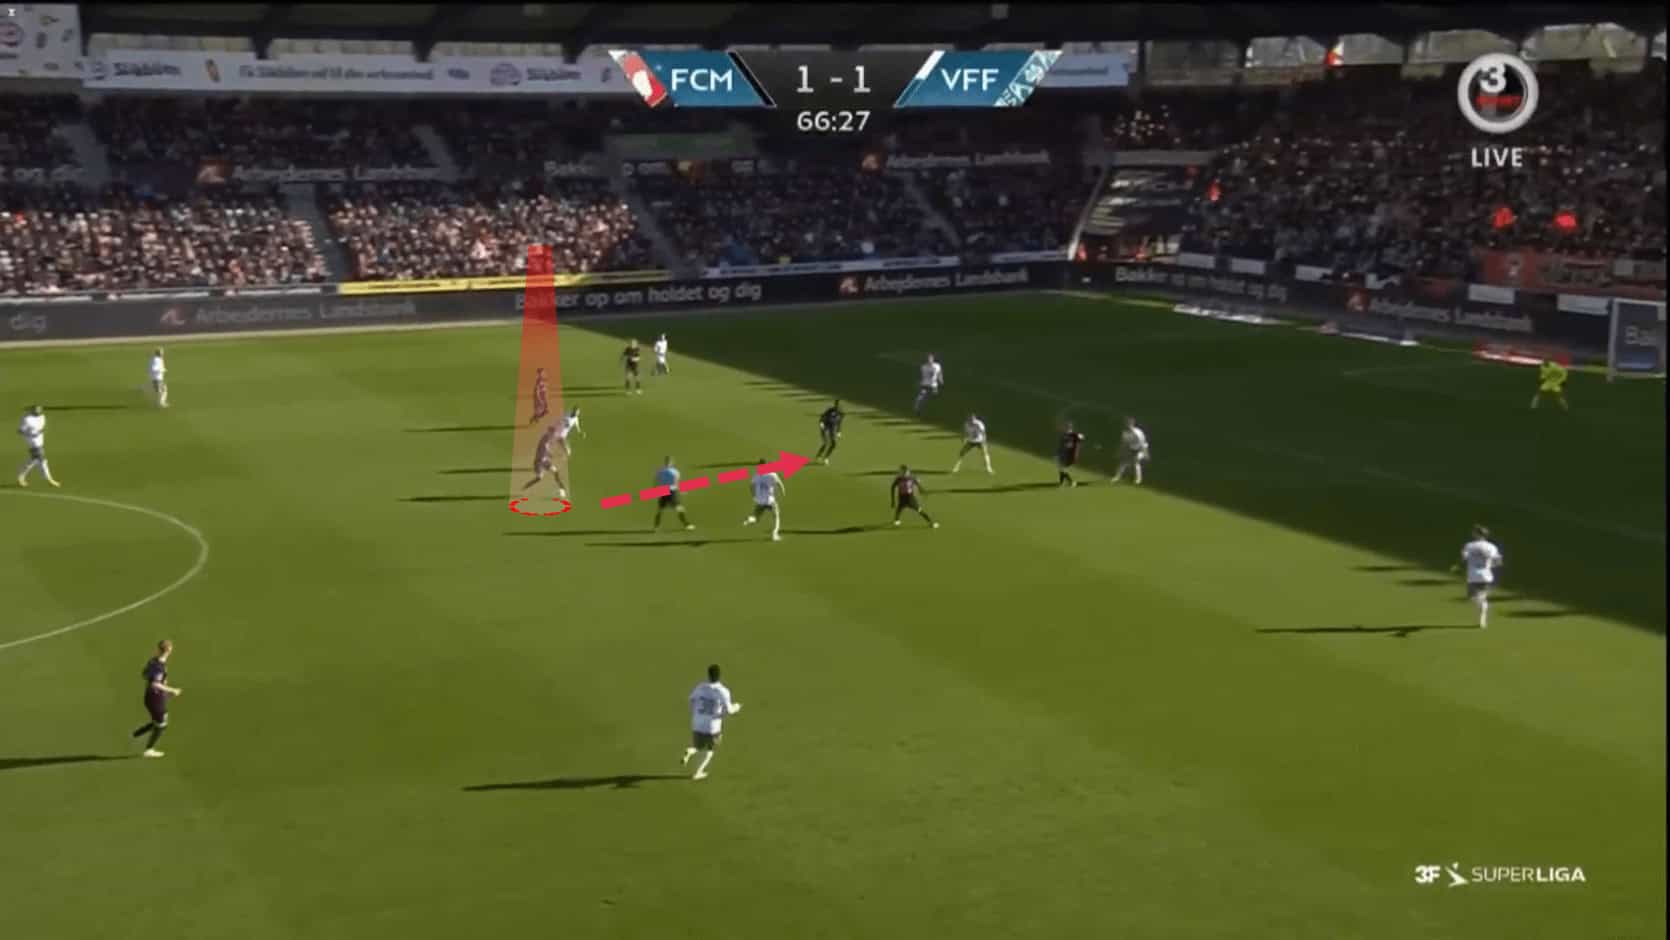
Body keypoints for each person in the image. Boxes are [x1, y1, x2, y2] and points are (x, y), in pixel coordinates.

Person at [682, 664, 742, 781]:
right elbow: (729, 711)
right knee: (710, 750)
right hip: (712, 727)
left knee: (698, 746)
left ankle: (690, 750)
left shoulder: (700, 687)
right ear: (719, 676)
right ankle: (698, 773)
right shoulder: (723, 691)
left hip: (697, 723)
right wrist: (737, 707)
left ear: (708, 675)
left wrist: (695, 712)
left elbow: (691, 699)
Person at [131, 640, 182, 758]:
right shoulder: (159, 666)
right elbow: (155, 684)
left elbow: (144, 674)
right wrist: (172, 690)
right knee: (162, 724)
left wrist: (165, 690)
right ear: (169, 651)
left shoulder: (153, 661)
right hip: (155, 698)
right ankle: (148, 750)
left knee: (161, 719)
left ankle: (138, 733)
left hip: (152, 696)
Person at [1453, 525, 1504, 629]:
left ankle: (1482, 609)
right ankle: (1482, 616)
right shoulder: (1492, 547)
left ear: (1477, 534)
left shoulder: (1469, 545)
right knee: (1481, 597)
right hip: (1486, 576)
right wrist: (1490, 565)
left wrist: (1457, 565)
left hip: (1473, 576)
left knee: (1473, 597)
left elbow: (1463, 558)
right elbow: (1498, 561)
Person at [15, 405, 59, 488]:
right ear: (32, 410)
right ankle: (49, 480)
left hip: (40, 440)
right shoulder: (27, 419)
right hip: (32, 442)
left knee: (33, 460)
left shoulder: (42, 417)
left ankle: (20, 477)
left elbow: (42, 428)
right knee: (42, 459)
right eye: (36, 410)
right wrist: (31, 434)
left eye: (39, 410)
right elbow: (20, 431)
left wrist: (39, 432)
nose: (38, 412)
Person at [742, 458, 785, 542]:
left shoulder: (756, 475)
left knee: (756, 518)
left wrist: (754, 496)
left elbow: (751, 486)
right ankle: (774, 534)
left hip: (760, 501)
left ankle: (749, 520)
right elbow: (779, 483)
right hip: (770, 500)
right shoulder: (772, 474)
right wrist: (783, 491)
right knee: (776, 516)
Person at [521, 423, 568, 498]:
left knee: (555, 472)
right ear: (550, 432)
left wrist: (556, 455)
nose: (554, 435)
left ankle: (562, 490)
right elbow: (546, 453)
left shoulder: (547, 439)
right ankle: (525, 488)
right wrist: (558, 455)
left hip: (544, 461)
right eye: (553, 433)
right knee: (539, 478)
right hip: (539, 462)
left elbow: (548, 452)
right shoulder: (544, 442)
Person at [651, 456, 695, 532]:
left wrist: (656, 491)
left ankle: (656, 526)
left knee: (660, 510)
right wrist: (682, 490)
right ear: (672, 462)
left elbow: (656, 482)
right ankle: (687, 525)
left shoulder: (660, 471)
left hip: (662, 491)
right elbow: (676, 482)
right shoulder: (675, 472)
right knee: (679, 508)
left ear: (665, 462)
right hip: (672, 491)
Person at [1110, 416, 1150, 485]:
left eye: (1129, 423)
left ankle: (1138, 480)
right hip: (1131, 449)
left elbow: (1143, 443)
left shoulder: (1137, 432)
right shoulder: (1125, 433)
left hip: (1140, 449)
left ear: (1132, 424)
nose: (1127, 424)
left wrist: (1146, 453)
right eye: (1126, 423)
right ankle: (1117, 477)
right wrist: (1120, 451)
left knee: (1136, 462)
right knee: (1123, 463)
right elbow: (1124, 443)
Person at [1056, 422, 1086, 487]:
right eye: (1067, 427)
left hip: (1069, 455)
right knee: (1061, 469)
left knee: (1063, 469)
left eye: (1069, 427)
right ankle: (1061, 483)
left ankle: (1071, 482)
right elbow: (1062, 445)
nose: (1067, 428)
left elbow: (1081, 437)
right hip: (1063, 454)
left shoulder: (1074, 435)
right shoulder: (1065, 435)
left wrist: (1079, 438)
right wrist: (1059, 453)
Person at [814, 399, 844, 465]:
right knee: (826, 443)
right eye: (836, 405)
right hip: (825, 427)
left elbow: (839, 423)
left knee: (834, 444)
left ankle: (826, 458)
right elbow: (822, 417)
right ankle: (819, 455)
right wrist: (821, 423)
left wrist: (839, 431)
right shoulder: (830, 410)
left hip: (832, 429)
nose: (837, 406)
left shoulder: (841, 414)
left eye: (838, 405)